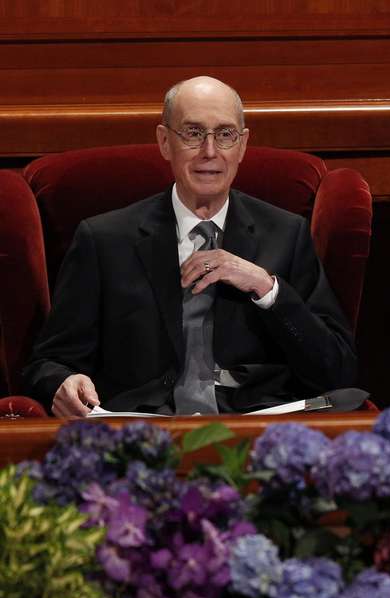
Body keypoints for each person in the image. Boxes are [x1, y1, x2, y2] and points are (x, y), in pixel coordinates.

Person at [23, 76, 358, 416]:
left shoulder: (286, 234)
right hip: (144, 436)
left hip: (254, 434)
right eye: (193, 133)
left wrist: (267, 288)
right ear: (165, 141)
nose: (209, 152)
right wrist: (64, 382)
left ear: (242, 145)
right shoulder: (105, 240)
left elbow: (336, 370)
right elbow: (48, 363)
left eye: (225, 134)